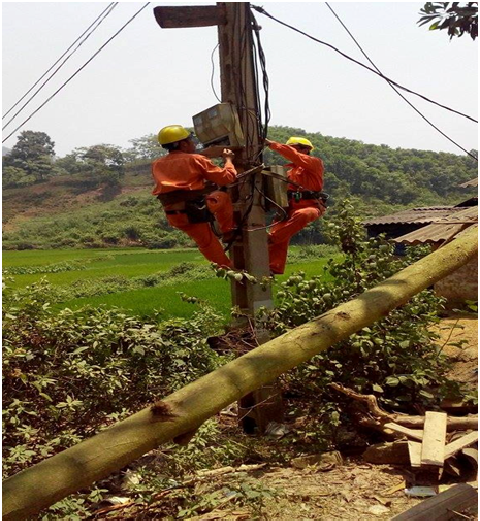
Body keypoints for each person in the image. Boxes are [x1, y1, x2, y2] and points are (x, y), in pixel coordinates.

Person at [152, 125, 237, 268]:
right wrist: (228, 160)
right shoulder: (195, 159)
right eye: (191, 140)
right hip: (194, 210)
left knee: (206, 242)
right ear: (183, 144)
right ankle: (228, 232)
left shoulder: (157, 164)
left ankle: (227, 267)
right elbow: (227, 178)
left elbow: (179, 186)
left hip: (174, 214)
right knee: (222, 196)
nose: (193, 144)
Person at [264, 136, 326, 275]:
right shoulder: (290, 172)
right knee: (280, 230)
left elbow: (294, 156)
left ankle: (271, 239)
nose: (291, 152)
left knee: (301, 215)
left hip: (310, 206)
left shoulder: (315, 163)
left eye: (293, 148)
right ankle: (272, 269)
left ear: (305, 150)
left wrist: (272, 144)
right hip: (289, 208)